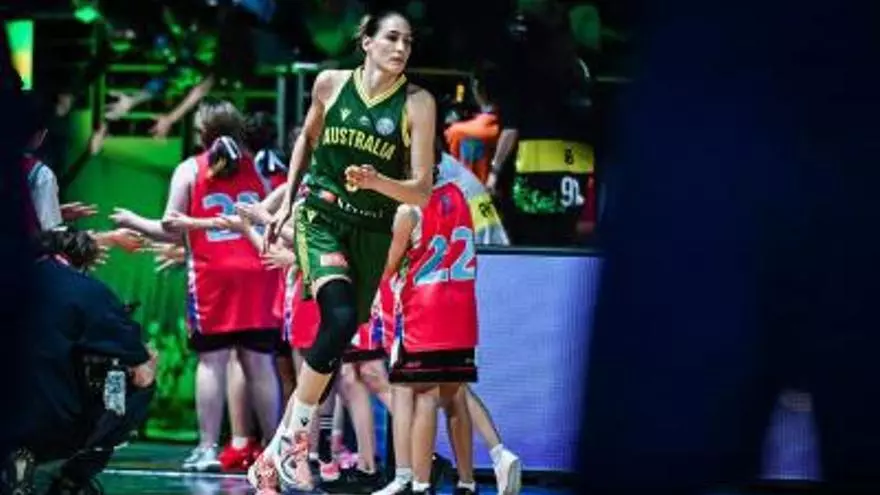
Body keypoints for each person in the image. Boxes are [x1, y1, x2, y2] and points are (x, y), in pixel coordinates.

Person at [252, 10, 437, 493]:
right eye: (392, 38)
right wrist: (285, 203)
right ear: (366, 42)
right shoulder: (330, 84)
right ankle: (294, 442)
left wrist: (377, 182)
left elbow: (421, 191)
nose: (401, 48)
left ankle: (272, 454)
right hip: (322, 218)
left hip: (371, 230)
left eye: (408, 41)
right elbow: (307, 141)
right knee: (336, 319)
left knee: (338, 339)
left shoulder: (418, 103)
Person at [112, 100, 285, 471]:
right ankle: (275, 451)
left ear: (202, 133)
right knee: (260, 363)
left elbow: (171, 227)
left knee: (212, 361)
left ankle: (207, 449)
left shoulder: (191, 168)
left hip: (213, 275)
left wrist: (133, 221)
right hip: (261, 271)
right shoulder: (260, 167)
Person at [375, 148, 519, 495]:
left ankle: (420, 484)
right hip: (462, 310)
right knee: (455, 398)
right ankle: (467, 482)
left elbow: (387, 267)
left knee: (425, 396)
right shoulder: (459, 194)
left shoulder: (407, 210)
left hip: (425, 313)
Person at [5, 228, 156, 495]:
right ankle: (72, 478)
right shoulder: (88, 290)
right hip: (53, 423)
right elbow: (139, 363)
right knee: (141, 372)